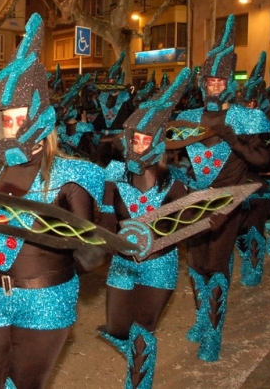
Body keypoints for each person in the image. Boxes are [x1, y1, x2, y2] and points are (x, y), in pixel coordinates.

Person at [0, 14, 107, 389]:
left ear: (39, 119)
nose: (7, 128)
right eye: (2, 119)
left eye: (15, 119)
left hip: (46, 300)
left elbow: (91, 253)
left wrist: (85, 243)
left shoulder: (74, 176)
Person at [174, 15, 270, 362]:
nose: (214, 87)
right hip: (194, 202)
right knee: (196, 265)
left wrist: (234, 139)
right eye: (209, 81)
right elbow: (176, 157)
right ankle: (203, 320)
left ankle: (213, 335)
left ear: (230, 82)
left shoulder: (247, 117)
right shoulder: (188, 117)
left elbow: (263, 161)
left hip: (229, 203)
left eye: (220, 81)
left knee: (216, 266)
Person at [98, 69, 190, 389]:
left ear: (158, 142)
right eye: (134, 139)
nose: (137, 146)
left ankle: (137, 384)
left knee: (142, 329)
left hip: (159, 266)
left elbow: (187, 224)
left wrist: (207, 223)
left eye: (145, 139)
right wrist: (101, 241)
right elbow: (107, 217)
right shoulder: (114, 173)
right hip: (122, 264)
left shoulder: (174, 185)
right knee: (118, 327)